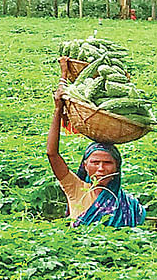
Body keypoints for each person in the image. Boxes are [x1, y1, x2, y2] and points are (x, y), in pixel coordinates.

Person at [47, 86, 145, 227]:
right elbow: (52, 154)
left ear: (117, 167)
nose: (101, 168)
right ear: (85, 165)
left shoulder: (129, 205)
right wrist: (57, 111)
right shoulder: (76, 189)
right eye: (95, 162)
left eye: (107, 163)